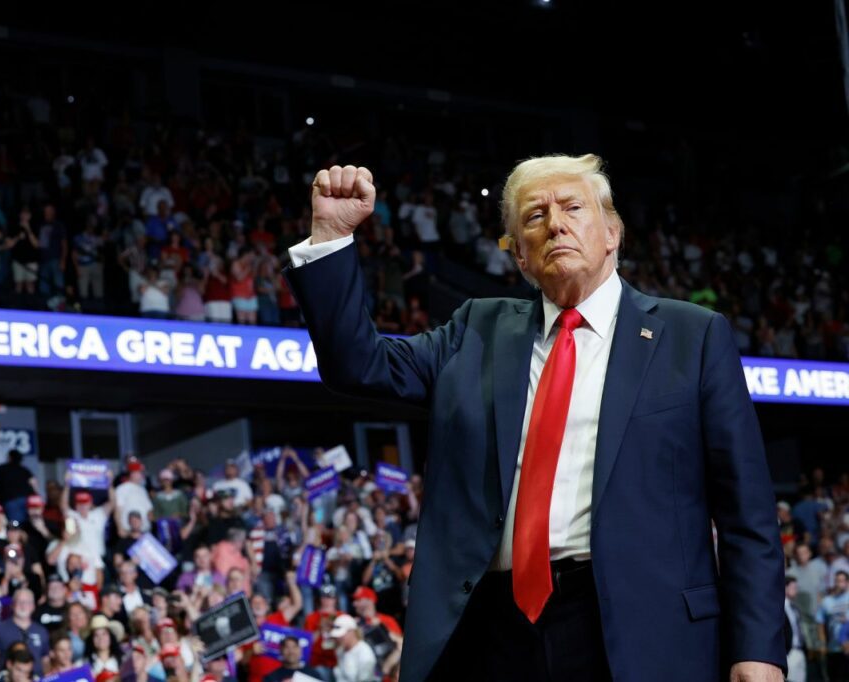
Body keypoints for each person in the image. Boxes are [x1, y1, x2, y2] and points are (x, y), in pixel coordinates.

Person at [284, 157, 785, 681]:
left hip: (638, 632)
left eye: (573, 207)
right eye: (534, 216)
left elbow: (746, 514)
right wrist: (331, 237)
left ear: (612, 233)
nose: (556, 224)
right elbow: (358, 365)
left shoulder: (693, 337)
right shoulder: (475, 329)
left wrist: (758, 650)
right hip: (491, 633)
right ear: (520, 255)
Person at [329, 615, 376, 682]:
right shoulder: (340, 650)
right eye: (337, 637)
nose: (338, 639)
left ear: (351, 632)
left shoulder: (365, 654)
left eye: (341, 636)